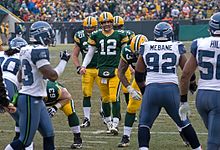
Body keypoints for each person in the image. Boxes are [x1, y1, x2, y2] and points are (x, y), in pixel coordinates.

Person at [135, 22, 202, 150]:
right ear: (170, 34)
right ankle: (197, 148)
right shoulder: (176, 46)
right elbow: (188, 71)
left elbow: (138, 75)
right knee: (184, 123)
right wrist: (192, 84)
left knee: (144, 124)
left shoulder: (146, 46)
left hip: (152, 88)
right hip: (171, 89)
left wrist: (145, 91)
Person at [5, 21, 70, 150]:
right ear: (42, 34)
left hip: (36, 97)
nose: (50, 36)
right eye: (49, 33)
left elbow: (20, 77)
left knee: (49, 135)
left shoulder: (25, 49)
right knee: (24, 141)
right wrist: (63, 61)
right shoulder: (39, 50)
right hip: (30, 98)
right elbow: (52, 76)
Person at [80, 12, 129, 135]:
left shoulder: (120, 35)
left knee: (114, 97)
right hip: (101, 70)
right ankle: (108, 123)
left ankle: (115, 124)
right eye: (104, 22)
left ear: (112, 22)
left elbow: (125, 52)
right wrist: (84, 66)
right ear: (100, 24)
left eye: (109, 22)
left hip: (115, 69)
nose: (107, 24)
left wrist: (130, 66)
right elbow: (90, 53)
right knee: (105, 99)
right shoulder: (96, 35)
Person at [179, 12, 220, 150]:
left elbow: (185, 75)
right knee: (214, 142)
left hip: (202, 97)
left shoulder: (199, 43)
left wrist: (184, 100)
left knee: (217, 136)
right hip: (218, 97)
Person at [117, 34, 147, 147]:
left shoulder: (152, 49)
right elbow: (120, 72)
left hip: (154, 80)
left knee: (170, 107)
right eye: (136, 53)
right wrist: (130, 89)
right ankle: (126, 136)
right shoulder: (127, 51)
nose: (138, 56)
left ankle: (182, 131)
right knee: (131, 107)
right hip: (139, 80)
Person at [72, 16, 101, 128]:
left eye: (91, 28)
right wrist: (79, 67)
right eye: (87, 28)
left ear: (96, 27)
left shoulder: (101, 35)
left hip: (100, 69)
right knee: (86, 94)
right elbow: (75, 54)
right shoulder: (80, 36)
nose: (89, 30)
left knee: (105, 94)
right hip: (87, 69)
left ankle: (105, 114)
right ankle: (86, 118)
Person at [0, 37, 27, 142]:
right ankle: (24, 140)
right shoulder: (23, 57)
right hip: (8, 84)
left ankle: (18, 136)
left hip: (3, 82)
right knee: (23, 116)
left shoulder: (1, 54)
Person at [44, 80, 82, 149]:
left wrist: (55, 108)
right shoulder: (31, 91)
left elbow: (68, 97)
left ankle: (77, 139)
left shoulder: (52, 89)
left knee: (70, 112)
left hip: (60, 99)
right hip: (39, 103)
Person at [113, 15, 135, 108]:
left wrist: (130, 65)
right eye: (115, 27)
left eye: (119, 27)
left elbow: (131, 51)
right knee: (111, 91)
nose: (118, 29)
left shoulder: (129, 34)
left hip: (124, 64)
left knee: (126, 90)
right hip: (113, 64)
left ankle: (129, 108)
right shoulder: (109, 35)